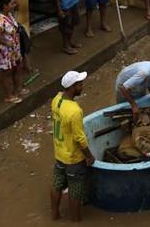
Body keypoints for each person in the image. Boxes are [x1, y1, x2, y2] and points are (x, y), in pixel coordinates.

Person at [50, 70, 95, 222]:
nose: (82, 86)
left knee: (57, 184)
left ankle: (55, 214)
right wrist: (89, 156)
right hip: (73, 158)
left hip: (59, 152)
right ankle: (76, 220)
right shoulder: (75, 111)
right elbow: (79, 138)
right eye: (80, 84)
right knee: (75, 191)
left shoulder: (56, 99)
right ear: (73, 87)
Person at [0, 0, 36, 81]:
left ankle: (26, 67)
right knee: (9, 65)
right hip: (6, 31)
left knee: (23, 46)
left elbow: (17, 7)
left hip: (14, 26)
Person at [0, 0, 26, 104]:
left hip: (15, 49)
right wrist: (7, 42)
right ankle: (8, 95)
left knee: (18, 68)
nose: (14, 5)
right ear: (5, 6)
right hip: (6, 51)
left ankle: (17, 90)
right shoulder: (0, 20)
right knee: (7, 73)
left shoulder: (10, 16)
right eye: (12, 3)